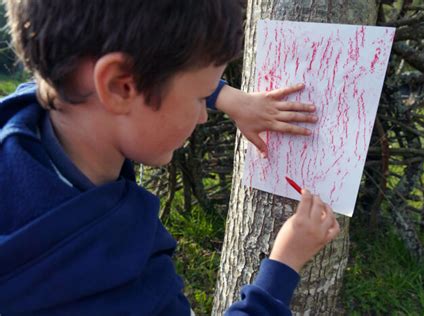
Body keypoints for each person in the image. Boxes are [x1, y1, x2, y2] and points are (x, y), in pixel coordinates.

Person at [0, 1, 340, 315]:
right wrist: (285, 263)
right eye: (200, 97)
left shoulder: (32, 116)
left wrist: (226, 97)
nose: (204, 114)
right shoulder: (124, 286)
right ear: (120, 87)